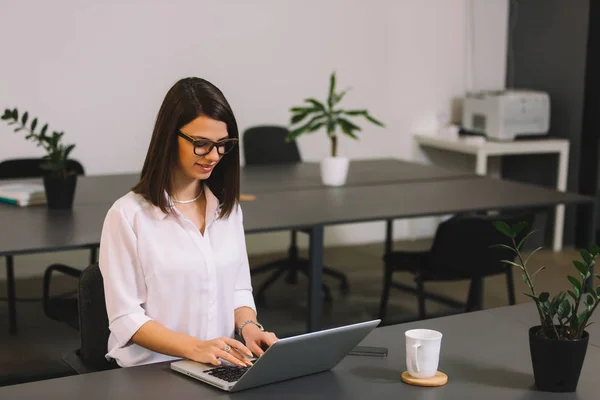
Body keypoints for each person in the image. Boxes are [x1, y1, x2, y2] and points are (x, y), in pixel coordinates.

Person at [98, 77, 277, 368]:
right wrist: (195, 348)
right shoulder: (128, 216)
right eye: (201, 144)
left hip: (218, 365)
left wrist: (249, 328)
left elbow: (238, 289)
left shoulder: (227, 210)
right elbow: (126, 318)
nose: (214, 156)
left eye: (222, 145)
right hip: (154, 372)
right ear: (170, 138)